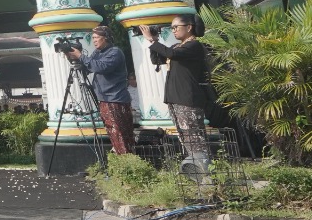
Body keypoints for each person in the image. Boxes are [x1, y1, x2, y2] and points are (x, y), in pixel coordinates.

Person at [144, 13, 212, 174]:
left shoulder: (194, 45)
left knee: (194, 137)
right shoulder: (177, 46)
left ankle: (206, 172)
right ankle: (196, 172)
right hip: (175, 99)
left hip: (188, 99)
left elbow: (172, 55)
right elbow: (158, 59)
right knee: (185, 137)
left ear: (189, 27)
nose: (173, 30)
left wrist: (153, 41)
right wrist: (155, 42)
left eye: (176, 27)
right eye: (172, 28)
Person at [66, 26, 135, 154]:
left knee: (119, 132)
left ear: (106, 38)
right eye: (93, 38)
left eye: (97, 37)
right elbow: (87, 69)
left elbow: (101, 67)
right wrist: (72, 57)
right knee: (112, 132)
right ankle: (121, 158)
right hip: (104, 98)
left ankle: (126, 159)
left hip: (116, 99)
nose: (94, 41)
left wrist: (81, 56)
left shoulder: (115, 52)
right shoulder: (97, 53)